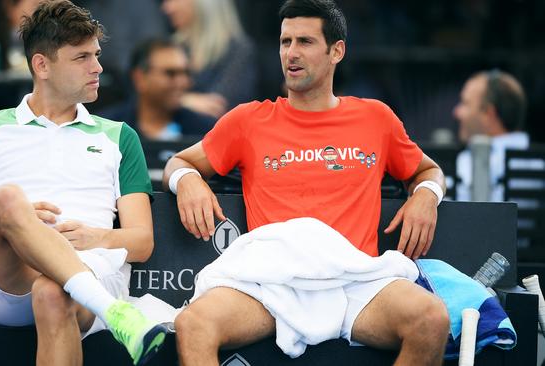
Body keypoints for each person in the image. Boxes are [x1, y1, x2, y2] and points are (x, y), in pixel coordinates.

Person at [163, 0, 450, 365]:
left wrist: (426, 194)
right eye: (285, 42)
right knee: (194, 324)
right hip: (270, 283)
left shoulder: (375, 117)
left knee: (431, 319)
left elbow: (428, 170)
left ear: (337, 51)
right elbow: (179, 162)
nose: (291, 54)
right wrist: (188, 180)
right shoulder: (249, 119)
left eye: (305, 42)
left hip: (353, 282)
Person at [0, 1, 167, 365]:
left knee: (53, 292)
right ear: (41, 65)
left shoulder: (120, 137)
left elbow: (142, 241)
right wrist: (19, 224)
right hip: (5, 279)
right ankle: (117, 313)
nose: (98, 68)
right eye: (82, 58)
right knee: (8, 200)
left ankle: (92, 296)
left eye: (97, 55)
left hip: (91, 270)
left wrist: (97, 236)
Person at [100, 38, 216, 141]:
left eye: (186, 73)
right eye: (170, 73)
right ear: (139, 78)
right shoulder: (105, 130)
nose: (183, 82)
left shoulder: (206, 132)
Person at [161, 0, 257, 118]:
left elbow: (217, 106)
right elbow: (149, 95)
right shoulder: (173, 47)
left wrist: (173, 100)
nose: (167, 8)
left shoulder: (239, 50)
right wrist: (186, 100)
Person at [453, 69, 528, 201]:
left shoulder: (469, 163)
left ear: (488, 114)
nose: (457, 112)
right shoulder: (537, 164)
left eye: (465, 103)